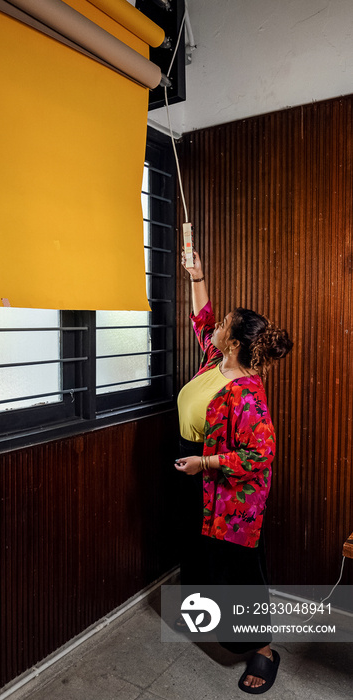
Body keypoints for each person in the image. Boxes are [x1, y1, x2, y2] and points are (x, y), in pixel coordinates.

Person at [174, 248, 293, 694]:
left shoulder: (245, 393)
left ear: (237, 341)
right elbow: (201, 319)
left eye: (225, 323)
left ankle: (262, 650)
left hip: (230, 491)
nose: (217, 325)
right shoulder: (214, 359)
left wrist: (204, 462)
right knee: (204, 556)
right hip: (196, 469)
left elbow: (259, 456)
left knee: (238, 566)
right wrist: (197, 275)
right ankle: (215, 623)